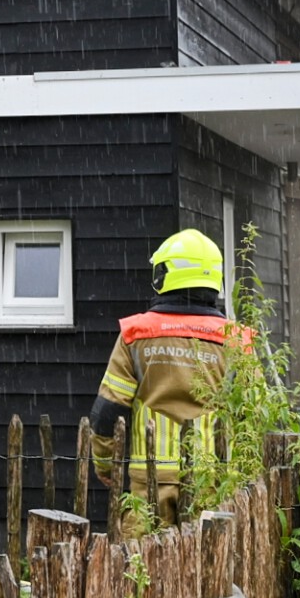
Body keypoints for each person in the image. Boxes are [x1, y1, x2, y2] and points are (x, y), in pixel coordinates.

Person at [89, 228, 249, 537]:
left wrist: (105, 465)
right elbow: (250, 421)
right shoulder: (237, 341)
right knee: (208, 572)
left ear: (166, 274)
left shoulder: (135, 335)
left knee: (142, 570)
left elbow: (107, 410)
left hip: (148, 481)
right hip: (212, 481)